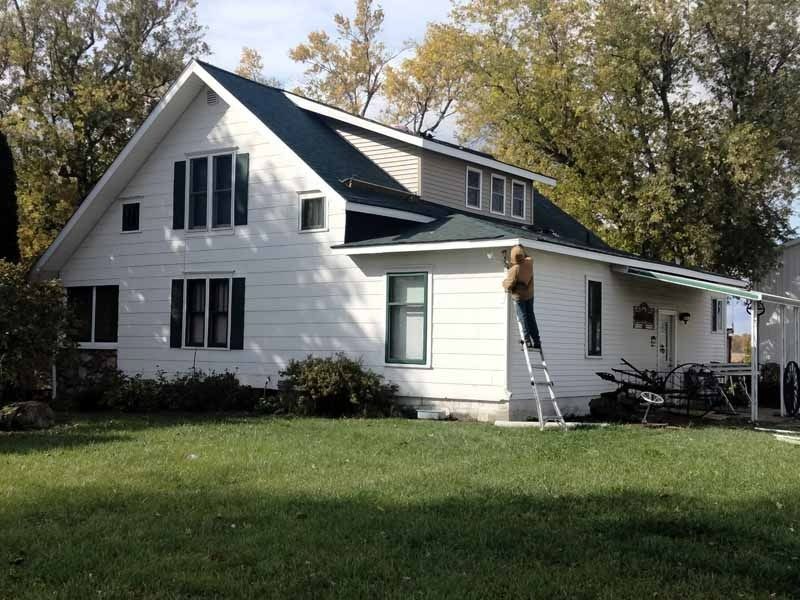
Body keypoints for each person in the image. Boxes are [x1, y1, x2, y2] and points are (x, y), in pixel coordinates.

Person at [502, 244, 541, 349]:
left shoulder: (514, 270)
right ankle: (537, 341)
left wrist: (504, 282)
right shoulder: (529, 262)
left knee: (523, 317)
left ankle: (527, 341)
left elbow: (509, 284)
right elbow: (524, 259)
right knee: (530, 317)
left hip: (519, 297)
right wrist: (521, 249)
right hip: (530, 295)